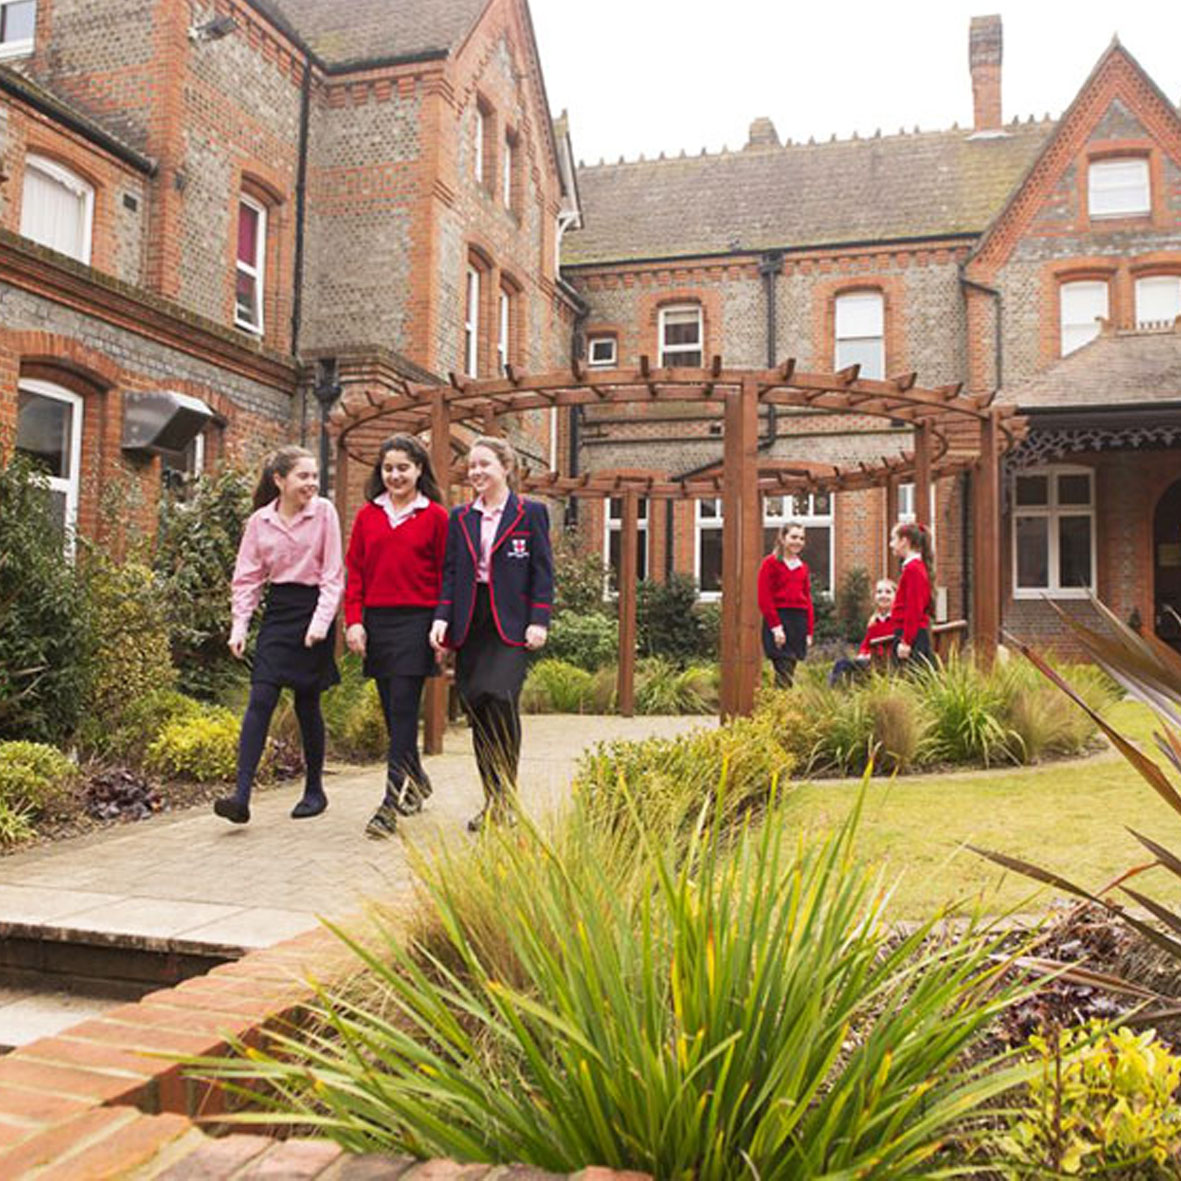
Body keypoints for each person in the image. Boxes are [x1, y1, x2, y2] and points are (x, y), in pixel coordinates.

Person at [429, 436, 553, 832]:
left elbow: (543, 571)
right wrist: (441, 618)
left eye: (484, 464)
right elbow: (450, 572)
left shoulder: (530, 513)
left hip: (511, 622)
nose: (476, 471)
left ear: (506, 467)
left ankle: (507, 798)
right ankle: (493, 801)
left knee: (500, 696)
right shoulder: (461, 517)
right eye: (472, 465)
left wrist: (539, 620)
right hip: (471, 620)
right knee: (479, 707)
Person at [215, 445, 344, 825]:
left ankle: (315, 789)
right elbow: (247, 578)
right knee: (261, 697)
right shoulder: (260, 522)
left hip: (313, 609)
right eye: (303, 476)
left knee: (307, 703)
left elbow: (333, 576)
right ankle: (241, 796)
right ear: (279, 480)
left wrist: (320, 625)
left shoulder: (324, 512)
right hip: (280, 612)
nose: (312, 483)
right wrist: (240, 626)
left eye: (314, 476)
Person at [344, 434, 450, 838]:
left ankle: (389, 805)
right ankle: (418, 779)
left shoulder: (436, 516)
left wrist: (442, 625)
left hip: (417, 624)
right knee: (394, 714)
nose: (395, 475)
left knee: (404, 709)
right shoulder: (367, 516)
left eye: (403, 468)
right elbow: (356, 572)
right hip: (378, 623)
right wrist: (354, 621)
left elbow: (447, 575)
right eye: (388, 468)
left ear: (419, 469)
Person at [756, 521, 813, 688]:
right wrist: (776, 627)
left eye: (801, 538)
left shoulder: (803, 568)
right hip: (780, 619)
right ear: (782, 538)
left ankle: (780, 703)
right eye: (794, 537)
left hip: (798, 621)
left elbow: (807, 600)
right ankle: (779, 703)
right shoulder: (770, 563)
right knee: (784, 669)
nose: (798, 542)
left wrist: (809, 631)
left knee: (788, 671)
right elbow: (764, 597)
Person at [829, 578, 897, 685]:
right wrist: (863, 653)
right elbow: (866, 644)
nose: (883, 595)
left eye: (888, 592)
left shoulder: (897, 620)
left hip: (888, 662)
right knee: (841, 665)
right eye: (879, 592)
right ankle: (836, 692)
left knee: (845, 666)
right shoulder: (874, 621)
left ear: (896, 596)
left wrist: (874, 655)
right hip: (871, 661)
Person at [889, 520, 934, 667]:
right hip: (912, 634)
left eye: (893, 539)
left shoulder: (913, 569)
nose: (891, 544)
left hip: (911, 637)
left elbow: (914, 608)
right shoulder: (914, 567)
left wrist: (906, 641)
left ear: (904, 541)